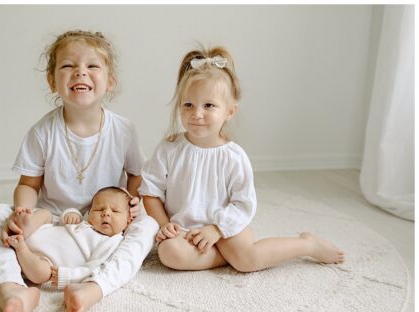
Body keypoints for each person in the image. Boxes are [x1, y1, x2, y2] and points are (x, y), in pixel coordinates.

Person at [0, 30, 159, 312]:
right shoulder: (42, 132)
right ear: (53, 82)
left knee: (148, 224)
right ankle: (12, 290)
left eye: (92, 66)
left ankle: (93, 288)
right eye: (68, 66)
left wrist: (132, 198)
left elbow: (136, 177)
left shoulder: (124, 130)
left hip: (102, 229)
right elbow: (28, 184)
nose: (80, 72)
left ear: (110, 81)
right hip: (51, 231)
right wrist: (22, 214)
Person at [141, 45, 344, 273]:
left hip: (225, 227)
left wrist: (217, 230)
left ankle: (307, 244)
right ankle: (226, 257)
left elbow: (243, 204)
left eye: (209, 105)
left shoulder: (234, 157)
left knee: (248, 260)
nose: (197, 113)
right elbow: (151, 192)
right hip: (183, 230)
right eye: (188, 105)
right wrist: (166, 225)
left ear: (229, 112)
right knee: (169, 254)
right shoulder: (169, 148)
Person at [6, 187, 135, 289]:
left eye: (115, 211)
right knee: (46, 214)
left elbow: (92, 269)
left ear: (129, 220)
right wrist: (70, 214)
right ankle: (24, 228)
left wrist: (67, 276)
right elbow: (64, 222)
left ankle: (21, 248)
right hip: (41, 231)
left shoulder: (112, 242)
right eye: (99, 209)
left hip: (43, 259)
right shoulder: (88, 222)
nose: (106, 213)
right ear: (90, 212)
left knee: (42, 274)